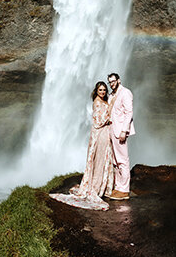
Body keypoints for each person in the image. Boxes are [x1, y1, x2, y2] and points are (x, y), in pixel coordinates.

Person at [49, 81, 116, 210]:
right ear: (96, 91)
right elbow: (98, 121)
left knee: (101, 158)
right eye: (100, 90)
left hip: (103, 133)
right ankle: (96, 187)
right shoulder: (97, 102)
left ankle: (102, 185)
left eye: (104, 90)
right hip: (99, 133)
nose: (102, 92)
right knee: (99, 159)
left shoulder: (102, 101)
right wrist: (110, 114)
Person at [106, 72, 134, 200]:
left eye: (113, 81)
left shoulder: (125, 93)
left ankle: (124, 190)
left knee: (123, 160)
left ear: (119, 80)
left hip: (120, 131)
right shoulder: (111, 95)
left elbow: (129, 113)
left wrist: (124, 131)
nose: (111, 84)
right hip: (111, 130)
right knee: (115, 160)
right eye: (109, 82)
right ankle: (118, 186)